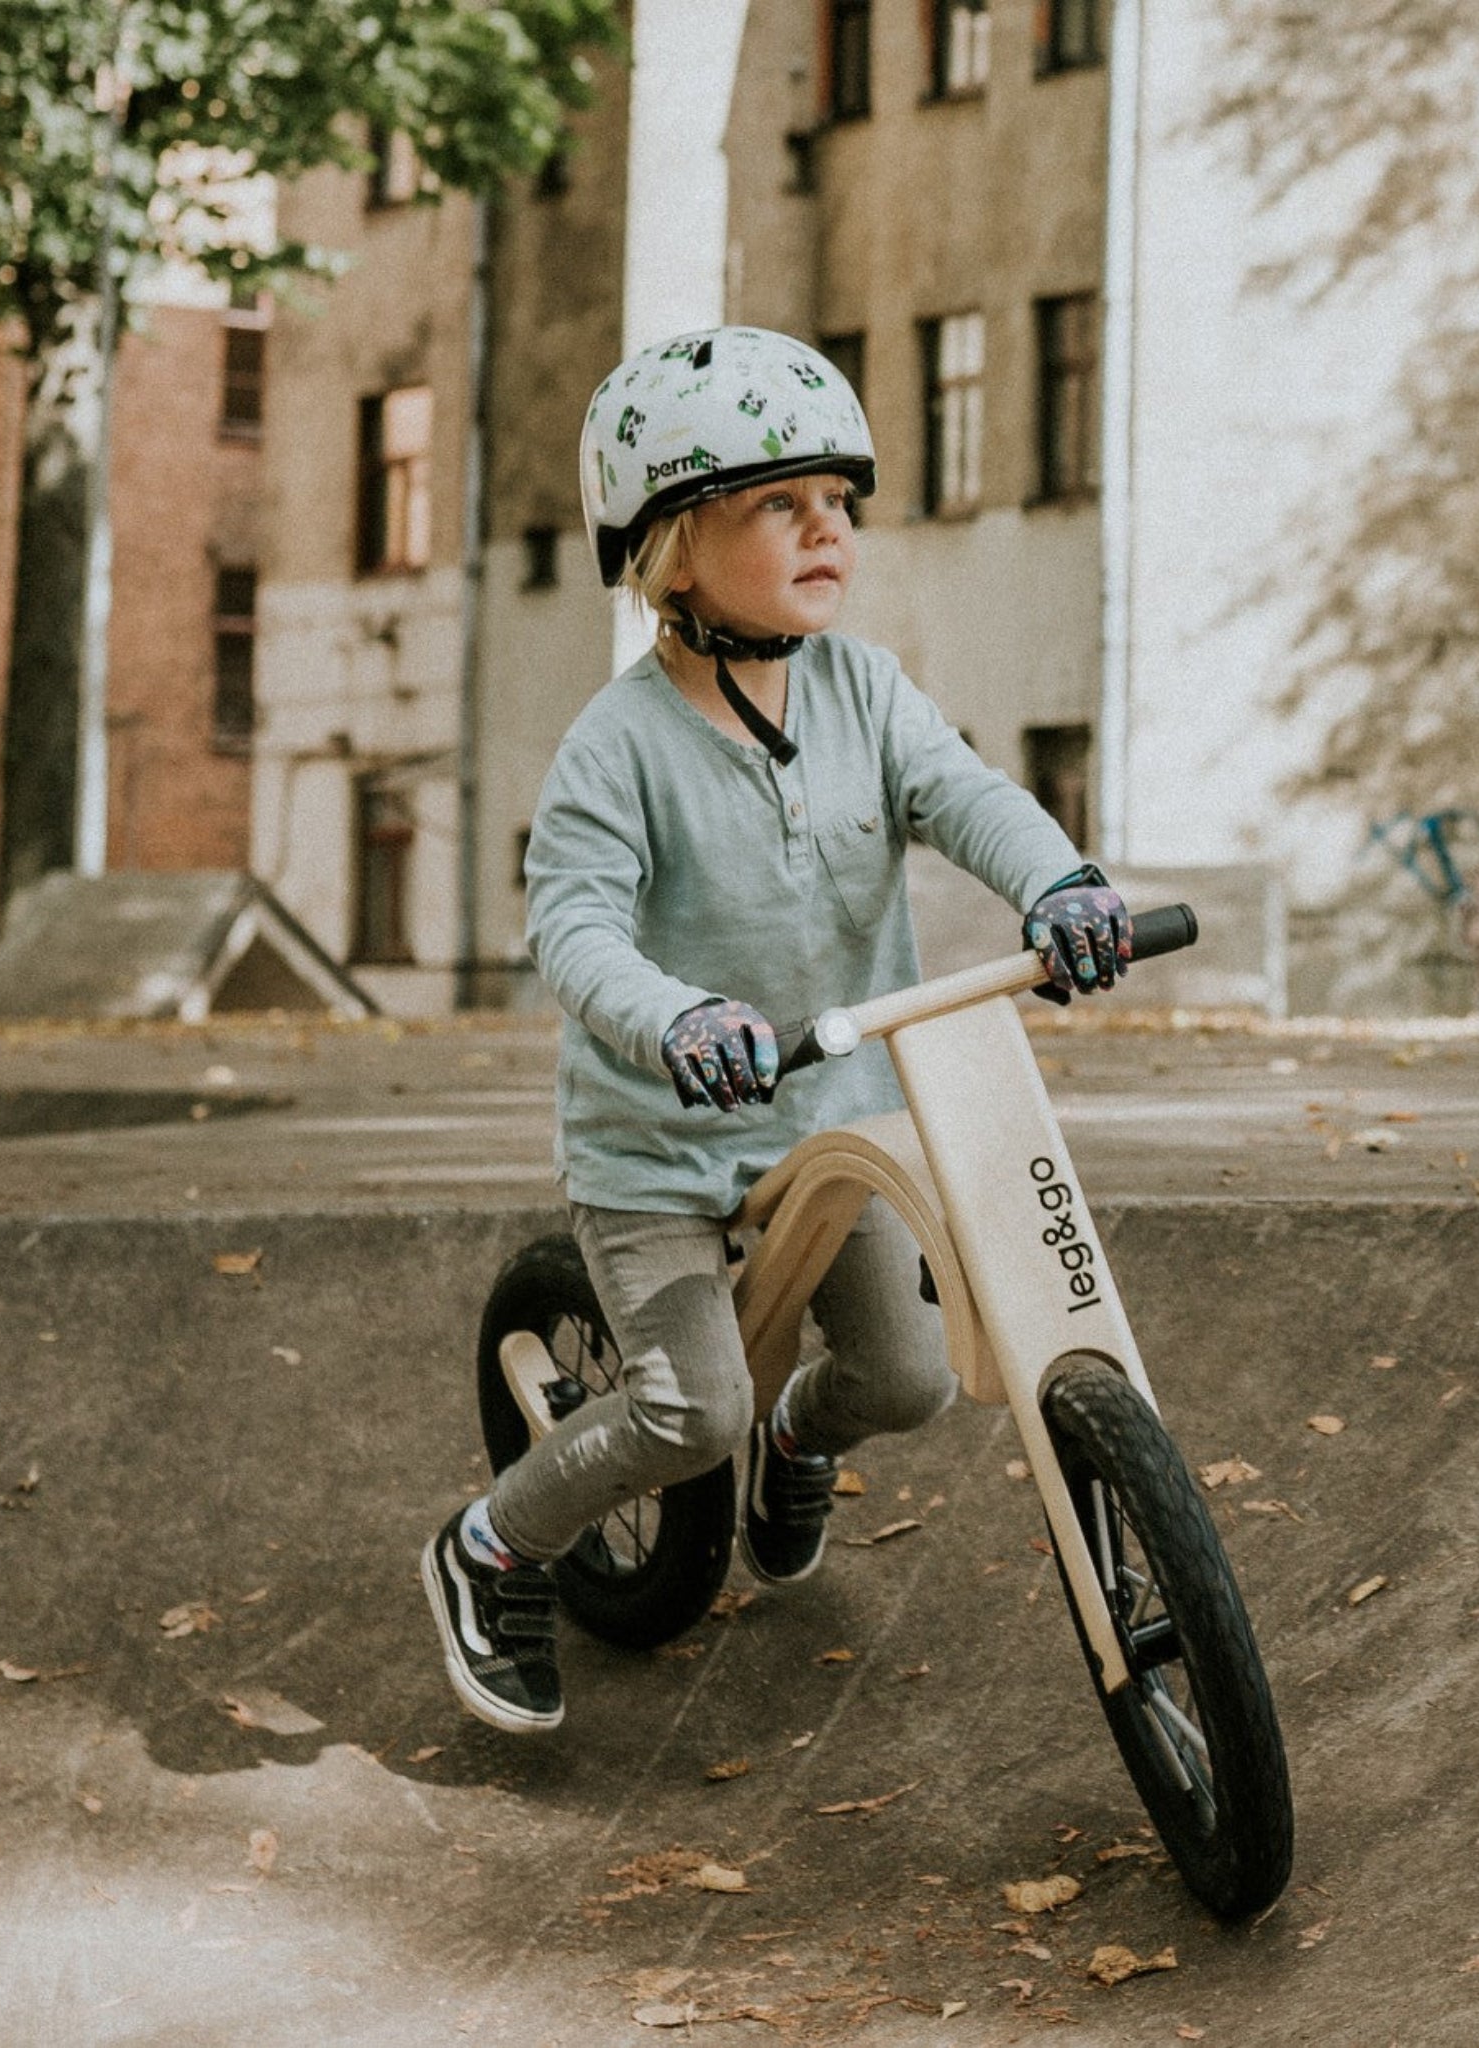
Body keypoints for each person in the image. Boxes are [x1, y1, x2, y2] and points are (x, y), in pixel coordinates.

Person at [423, 326, 1133, 1733]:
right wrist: (673, 1015)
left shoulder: (864, 690)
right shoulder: (616, 748)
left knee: (910, 1376)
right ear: (677, 549)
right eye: (781, 506)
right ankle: (493, 1544)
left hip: (826, 1115)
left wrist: (1057, 879)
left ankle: (800, 1437)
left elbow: (966, 793)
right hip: (660, 1147)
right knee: (691, 1412)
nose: (831, 530)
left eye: (840, 502)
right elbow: (574, 932)